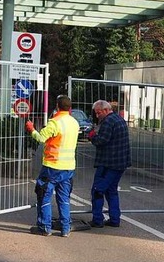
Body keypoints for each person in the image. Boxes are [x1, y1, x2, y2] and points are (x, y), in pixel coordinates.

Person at [25, 95, 79, 237]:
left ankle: (44, 227)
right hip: (68, 167)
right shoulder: (75, 123)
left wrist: (31, 129)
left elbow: (41, 137)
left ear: (57, 106)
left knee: (44, 195)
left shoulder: (55, 123)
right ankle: (65, 228)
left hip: (52, 166)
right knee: (64, 198)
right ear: (70, 108)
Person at [87, 99, 131, 228]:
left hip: (108, 163)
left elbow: (102, 140)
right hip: (121, 163)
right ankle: (114, 219)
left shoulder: (108, 122)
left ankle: (97, 219)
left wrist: (92, 136)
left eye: (98, 112)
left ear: (106, 110)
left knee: (97, 190)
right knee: (111, 191)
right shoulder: (119, 120)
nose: (97, 116)